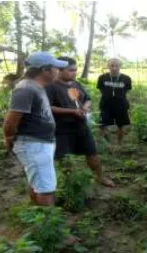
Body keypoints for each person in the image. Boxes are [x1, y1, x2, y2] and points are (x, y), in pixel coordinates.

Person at [2, 52, 68, 206]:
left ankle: (37, 213)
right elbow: (11, 120)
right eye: (55, 68)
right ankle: (48, 224)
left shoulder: (36, 87)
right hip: (33, 144)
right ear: (45, 70)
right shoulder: (26, 89)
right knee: (46, 189)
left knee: (38, 182)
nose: (58, 71)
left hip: (39, 143)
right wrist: (9, 138)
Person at [45, 56, 115, 188]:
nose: (74, 72)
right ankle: (68, 183)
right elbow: (48, 107)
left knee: (91, 153)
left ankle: (100, 177)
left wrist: (85, 107)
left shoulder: (75, 84)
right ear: (59, 70)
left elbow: (87, 98)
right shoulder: (51, 87)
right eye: (71, 70)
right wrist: (71, 111)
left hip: (81, 126)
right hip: (62, 129)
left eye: (75, 69)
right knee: (63, 158)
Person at [97, 58, 132, 145]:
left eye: (117, 65)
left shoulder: (126, 78)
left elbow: (126, 90)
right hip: (106, 104)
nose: (114, 68)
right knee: (102, 124)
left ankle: (118, 143)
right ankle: (104, 143)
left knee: (121, 124)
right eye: (112, 65)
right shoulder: (102, 78)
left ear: (120, 66)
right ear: (108, 66)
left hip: (121, 105)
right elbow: (101, 89)